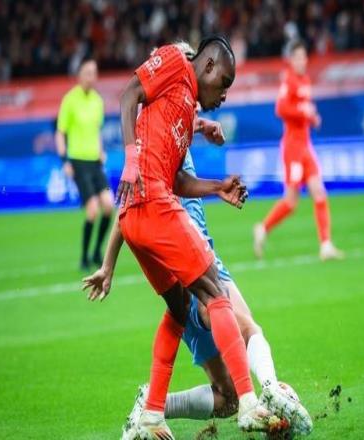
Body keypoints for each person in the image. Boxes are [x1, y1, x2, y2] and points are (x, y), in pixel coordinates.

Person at [85, 36, 290, 439]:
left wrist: (218, 187)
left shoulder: (180, 112)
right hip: (153, 206)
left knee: (179, 310)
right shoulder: (177, 62)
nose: (224, 96)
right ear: (207, 66)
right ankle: (250, 403)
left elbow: (177, 179)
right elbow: (129, 93)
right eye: (224, 84)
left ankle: (152, 414)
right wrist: (130, 160)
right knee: (214, 292)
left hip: (136, 216)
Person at [115, 146, 313, 440]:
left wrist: (108, 266)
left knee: (227, 398)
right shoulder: (161, 143)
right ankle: (270, 390)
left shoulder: (168, 139)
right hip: (194, 261)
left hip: (187, 276)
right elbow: (142, 198)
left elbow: (129, 208)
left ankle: (153, 406)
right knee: (247, 329)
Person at [253, 41, 343, 261]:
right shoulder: (289, 80)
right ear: (292, 60)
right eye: (299, 57)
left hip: (305, 146)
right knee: (291, 201)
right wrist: (303, 112)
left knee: (319, 192)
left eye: (304, 57)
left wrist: (312, 117)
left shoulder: (305, 80)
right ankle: (263, 228)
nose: (303, 61)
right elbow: (280, 108)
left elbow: (303, 110)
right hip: (292, 148)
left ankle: (326, 245)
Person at [55, 58, 113, 270]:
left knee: (109, 206)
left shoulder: (97, 101)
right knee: (92, 210)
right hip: (78, 162)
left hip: (95, 162)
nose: (91, 77)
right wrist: (65, 161)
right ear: (79, 75)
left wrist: (101, 150)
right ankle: (84, 257)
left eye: (94, 73)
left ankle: (97, 251)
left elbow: (97, 131)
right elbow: (60, 133)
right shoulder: (70, 100)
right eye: (87, 72)